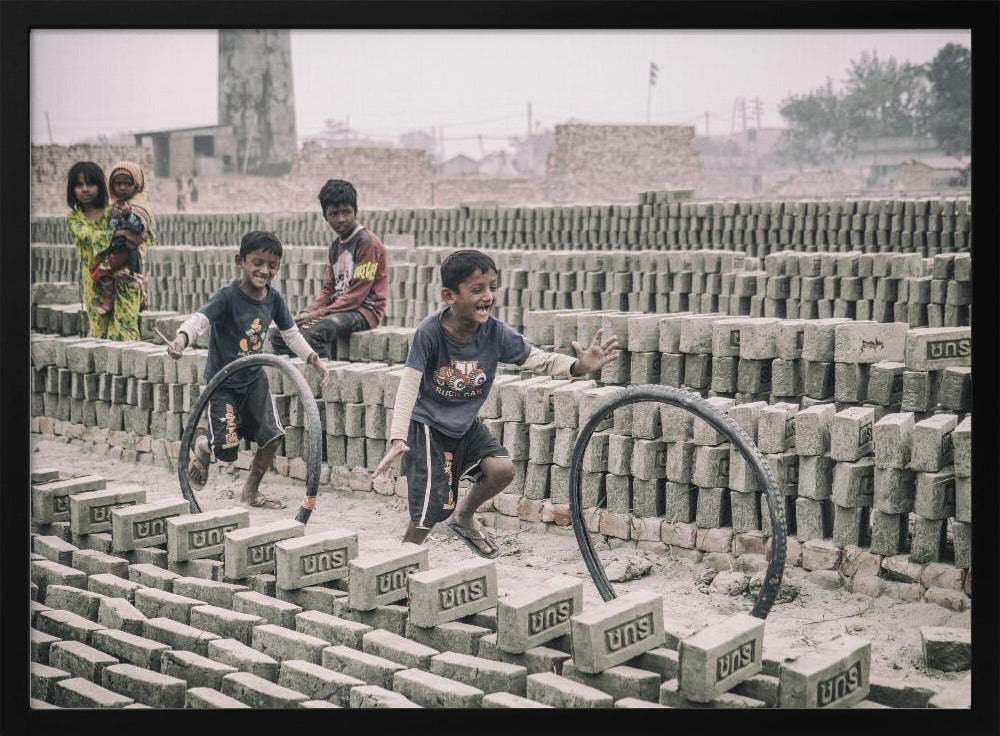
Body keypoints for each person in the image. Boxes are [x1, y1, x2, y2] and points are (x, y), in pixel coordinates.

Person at [373, 249, 620, 558]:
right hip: (428, 427)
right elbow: (409, 383)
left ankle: (464, 516)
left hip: (463, 426)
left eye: (492, 286)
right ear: (449, 296)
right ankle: (400, 561)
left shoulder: (495, 333)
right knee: (433, 507)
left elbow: (537, 359)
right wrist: (398, 437)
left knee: (501, 470)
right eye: (477, 289)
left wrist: (579, 367)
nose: (488, 296)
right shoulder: (430, 333)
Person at [165, 231, 329, 509]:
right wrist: (181, 338)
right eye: (258, 262)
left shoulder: (273, 299)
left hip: (254, 380)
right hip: (223, 383)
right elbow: (201, 320)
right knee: (227, 452)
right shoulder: (228, 297)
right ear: (240, 261)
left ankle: (250, 491)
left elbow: (290, 334)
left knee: (273, 436)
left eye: (272, 265)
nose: (265, 270)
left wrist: (313, 359)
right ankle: (204, 445)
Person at [270, 179, 388, 360]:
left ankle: (325, 384)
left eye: (346, 212)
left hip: (364, 311)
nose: (341, 219)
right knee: (280, 335)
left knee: (315, 333)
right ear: (325, 217)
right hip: (339, 309)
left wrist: (318, 314)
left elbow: (356, 296)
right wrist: (307, 312)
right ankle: (300, 382)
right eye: (334, 214)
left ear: (356, 212)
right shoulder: (335, 248)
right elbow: (328, 291)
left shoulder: (367, 243)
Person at [65, 161, 141, 341]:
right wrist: (122, 233)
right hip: (95, 281)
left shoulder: (114, 210)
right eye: (79, 185)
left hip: (123, 277)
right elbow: (90, 237)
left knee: (125, 330)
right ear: (72, 189)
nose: (85, 189)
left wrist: (132, 232)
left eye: (90, 184)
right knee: (99, 334)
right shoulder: (74, 218)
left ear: (100, 185)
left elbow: (143, 235)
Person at [88, 161, 154, 315]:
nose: (122, 187)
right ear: (112, 185)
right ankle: (142, 298)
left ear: (136, 184)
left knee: (101, 271)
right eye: (118, 184)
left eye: (127, 183)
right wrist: (120, 231)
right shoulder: (115, 204)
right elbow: (109, 228)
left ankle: (110, 299)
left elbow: (140, 228)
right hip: (116, 247)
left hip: (127, 251)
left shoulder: (139, 204)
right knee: (95, 269)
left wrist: (128, 215)